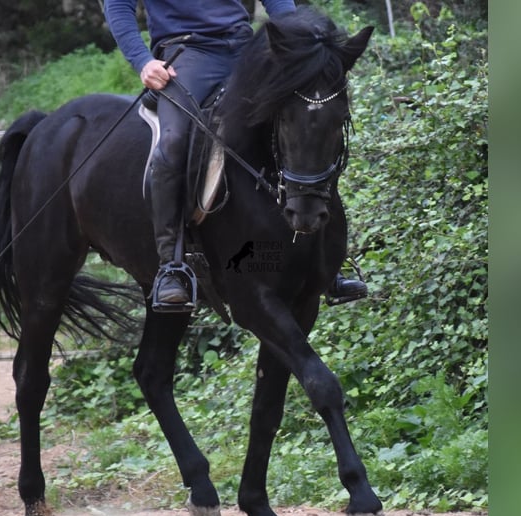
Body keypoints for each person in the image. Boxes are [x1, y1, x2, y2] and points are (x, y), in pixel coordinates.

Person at [104, 0, 367, 308]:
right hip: (186, 56)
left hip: (246, 48)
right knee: (172, 146)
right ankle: (171, 266)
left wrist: (300, 47)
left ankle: (328, 259)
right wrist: (142, 61)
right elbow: (118, 5)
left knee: (305, 125)